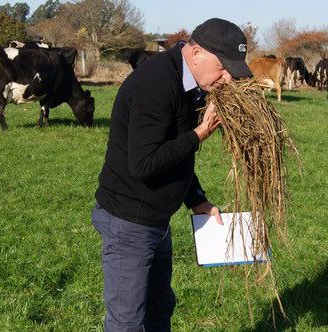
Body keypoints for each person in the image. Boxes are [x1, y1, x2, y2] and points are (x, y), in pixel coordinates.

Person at [91, 17, 252, 332]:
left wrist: (196, 199)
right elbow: (145, 163)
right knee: (127, 321)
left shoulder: (191, 84)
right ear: (196, 53)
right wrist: (200, 133)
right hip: (129, 222)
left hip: (155, 220)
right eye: (223, 67)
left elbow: (173, 150)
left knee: (159, 308)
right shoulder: (156, 85)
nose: (227, 79)